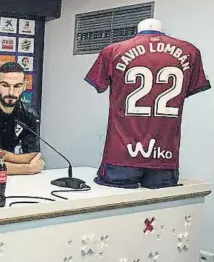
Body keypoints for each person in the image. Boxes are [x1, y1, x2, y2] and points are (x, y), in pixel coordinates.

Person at [85, 19, 211, 188]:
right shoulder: (190, 51)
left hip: (121, 156)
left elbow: (99, 83)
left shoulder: (113, 51)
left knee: (115, 207)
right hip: (165, 158)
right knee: (159, 209)